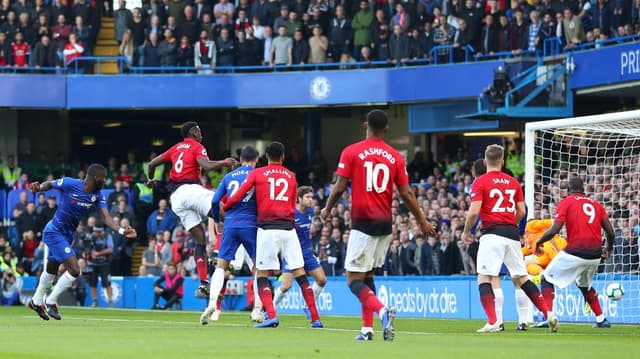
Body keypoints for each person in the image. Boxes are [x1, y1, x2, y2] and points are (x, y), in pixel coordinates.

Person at [320, 109, 436, 341]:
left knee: (353, 280)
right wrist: (421, 220)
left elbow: (341, 186)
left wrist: (328, 208)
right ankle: (367, 329)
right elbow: (406, 193)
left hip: (363, 222)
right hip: (385, 223)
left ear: (365, 125)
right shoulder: (395, 156)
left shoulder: (352, 151)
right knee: (367, 276)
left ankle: (382, 311)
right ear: (386, 129)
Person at [223, 142, 322, 329]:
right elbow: (293, 202)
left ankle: (271, 315)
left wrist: (227, 207)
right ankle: (315, 318)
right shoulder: (291, 176)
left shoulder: (257, 173)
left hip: (267, 229)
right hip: (288, 229)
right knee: (300, 273)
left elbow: (239, 194)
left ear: (266, 156)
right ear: (283, 157)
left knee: (262, 274)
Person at [461, 144, 557, 333]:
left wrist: (466, 232)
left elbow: (473, 212)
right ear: (502, 161)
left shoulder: (480, 182)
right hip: (512, 235)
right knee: (521, 278)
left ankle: (493, 321)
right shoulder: (513, 182)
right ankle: (548, 313)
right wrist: (508, 223)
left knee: (484, 277)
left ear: (486, 161)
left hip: (491, 235)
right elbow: (521, 211)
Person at [27, 164, 137, 321]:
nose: (105, 180)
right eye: (104, 178)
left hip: (67, 235)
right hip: (54, 231)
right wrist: (39, 188)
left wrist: (121, 230)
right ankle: (50, 301)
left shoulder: (98, 194)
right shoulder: (71, 183)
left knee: (52, 268)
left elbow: (106, 217)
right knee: (74, 269)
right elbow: (50, 184)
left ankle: (36, 301)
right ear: (96, 177)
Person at [146, 122, 238, 298]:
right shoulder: (197, 146)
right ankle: (220, 252)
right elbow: (207, 165)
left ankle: (203, 282)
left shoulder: (175, 148)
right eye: (199, 131)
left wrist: (151, 180)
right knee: (227, 215)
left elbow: (151, 164)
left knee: (200, 240)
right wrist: (225, 161)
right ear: (193, 132)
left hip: (176, 198)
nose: (201, 134)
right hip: (191, 190)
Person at [535, 177, 615, 328]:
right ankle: (601, 319)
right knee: (584, 285)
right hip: (594, 255)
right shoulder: (596, 205)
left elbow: (555, 229)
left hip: (575, 252)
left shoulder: (566, 202)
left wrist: (540, 241)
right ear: (583, 189)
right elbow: (611, 233)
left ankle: (549, 315)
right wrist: (608, 249)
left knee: (546, 278)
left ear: (568, 190)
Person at [200, 146, 263, 325]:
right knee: (258, 268)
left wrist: (218, 221)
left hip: (230, 225)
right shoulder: (257, 175)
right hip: (250, 225)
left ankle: (212, 304)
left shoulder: (228, 177)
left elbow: (214, 200)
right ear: (256, 159)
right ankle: (257, 311)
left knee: (221, 266)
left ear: (240, 158)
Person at [273, 186, 327, 319]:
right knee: (286, 286)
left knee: (322, 280)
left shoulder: (309, 212)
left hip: (307, 252)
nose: (311, 200)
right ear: (299, 198)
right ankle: (270, 309)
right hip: (291, 253)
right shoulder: (290, 213)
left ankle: (308, 306)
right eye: (308, 197)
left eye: (312, 197)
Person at [87, 226, 114, 307]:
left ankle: (110, 301)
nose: (97, 234)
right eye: (96, 232)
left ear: (102, 231)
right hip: (92, 263)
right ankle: (95, 301)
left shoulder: (107, 236)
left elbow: (110, 249)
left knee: (107, 282)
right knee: (92, 282)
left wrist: (98, 253)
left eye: (99, 232)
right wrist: (91, 253)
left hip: (105, 263)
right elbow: (86, 248)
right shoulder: (90, 237)